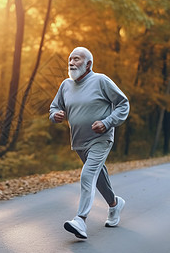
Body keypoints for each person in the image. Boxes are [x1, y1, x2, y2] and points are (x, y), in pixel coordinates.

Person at [49, 47, 130, 239]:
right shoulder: (65, 85)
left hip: (101, 139)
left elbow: (123, 103)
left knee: (87, 175)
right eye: (70, 59)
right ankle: (114, 204)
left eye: (77, 59)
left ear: (88, 64)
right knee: (98, 176)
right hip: (79, 142)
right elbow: (54, 107)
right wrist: (55, 115)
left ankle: (80, 220)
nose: (71, 62)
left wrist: (107, 122)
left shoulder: (101, 81)